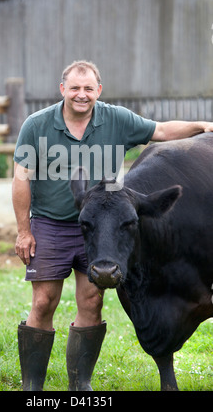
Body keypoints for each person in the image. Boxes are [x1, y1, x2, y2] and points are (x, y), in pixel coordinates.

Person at [12, 60, 213, 391]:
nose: (81, 95)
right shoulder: (36, 125)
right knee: (44, 301)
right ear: (62, 89)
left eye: (88, 88)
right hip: (51, 224)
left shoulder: (115, 119)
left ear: (98, 91)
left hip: (105, 224)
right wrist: (24, 230)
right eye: (74, 88)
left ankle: (81, 387)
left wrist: (202, 126)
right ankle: (32, 388)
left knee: (92, 299)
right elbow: (21, 180)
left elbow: (160, 131)